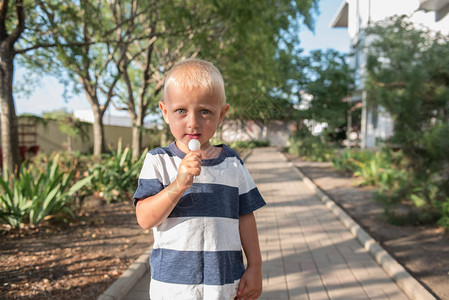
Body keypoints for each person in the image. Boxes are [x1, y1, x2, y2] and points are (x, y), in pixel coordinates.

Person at [133, 58, 266, 300]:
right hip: (173, 287)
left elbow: (246, 216)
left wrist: (255, 266)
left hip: (224, 285)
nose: (193, 122)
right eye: (181, 111)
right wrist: (178, 185)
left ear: (222, 114)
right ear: (165, 112)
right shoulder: (158, 161)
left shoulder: (231, 163)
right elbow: (144, 219)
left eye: (205, 111)